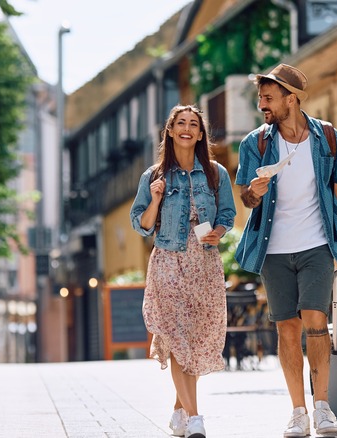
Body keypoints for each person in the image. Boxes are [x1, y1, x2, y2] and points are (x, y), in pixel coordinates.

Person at [234, 64, 337, 437]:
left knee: (316, 323)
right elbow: (246, 198)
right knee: (287, 330)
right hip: (273, 250)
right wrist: (252, 193)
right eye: (261, 98)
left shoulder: (329, 138)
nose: (263, 105)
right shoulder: (254, 144)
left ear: (292, 98)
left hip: (316, 245)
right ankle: (298, 412)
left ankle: (323, 406)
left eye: (269, 98)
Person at [130, 104, 236, 438]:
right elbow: (142, 225)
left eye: (194, 124)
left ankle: (179, 409)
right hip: (169, 259)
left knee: (197, 335)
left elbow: (228, 214)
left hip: (203, 260)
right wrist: (156, 200)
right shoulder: (154, 176)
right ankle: (194, 417)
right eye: (181, 123)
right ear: (171, 131)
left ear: (201, 134)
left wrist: (219, 231)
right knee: (176, 336)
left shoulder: (215, 172)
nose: (187, 128)